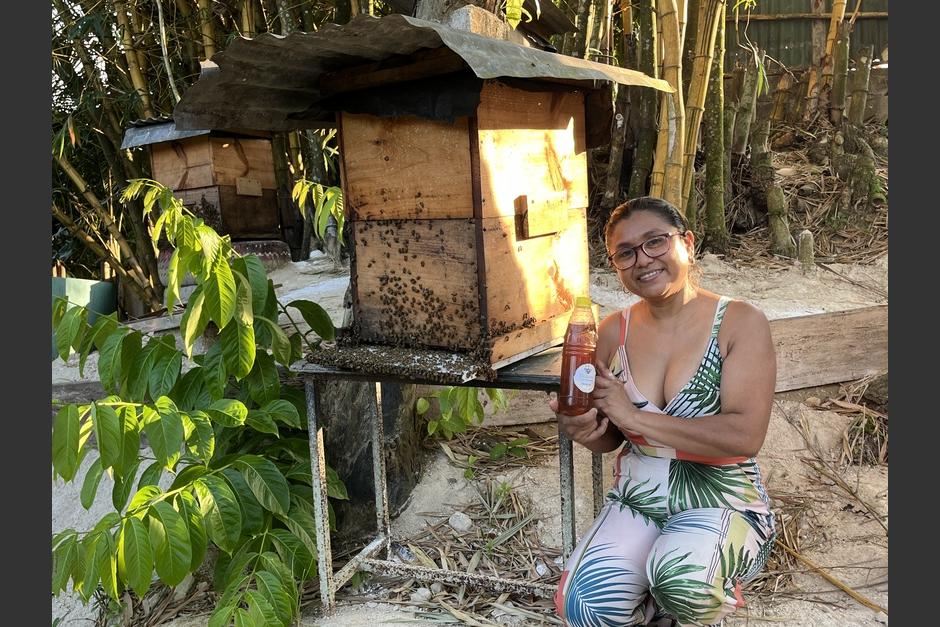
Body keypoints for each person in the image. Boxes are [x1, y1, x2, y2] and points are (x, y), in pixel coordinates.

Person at [551, 196, 777, 627]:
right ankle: (655, 605)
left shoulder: (739, 322)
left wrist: (635, 417)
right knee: (583, 606)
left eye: (655, 242)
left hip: (724, 503)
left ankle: (684, 597)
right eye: (625, 253)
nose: (642, 259)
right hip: (639, 500)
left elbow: (744, 436)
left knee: (683, 583)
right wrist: (585, 429)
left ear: (687, 244)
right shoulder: (613, 331)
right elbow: (611, 436)